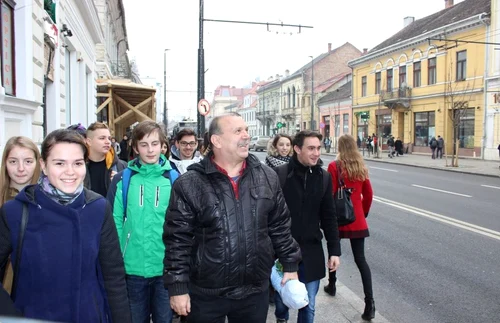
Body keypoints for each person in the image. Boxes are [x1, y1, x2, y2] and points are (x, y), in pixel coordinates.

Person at [163, 112, 301, 323]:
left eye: (246, 130)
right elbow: (177, 240)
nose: (246, 136)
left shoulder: (266, 177)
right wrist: (178, 287)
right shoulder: (189, 183)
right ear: (216, 140)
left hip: (254, 292)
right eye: (238, 131)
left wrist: (290, 265)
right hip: (205, 295)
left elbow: (279, 226)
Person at [0, 129, 131, 322]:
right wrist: (11, 315)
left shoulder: (97, 208)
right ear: (43, 165)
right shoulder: (16, 211)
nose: (70, 172)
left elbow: (113, 278)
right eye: (60, 163)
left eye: (77, 163)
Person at [108, 121, 177, 323]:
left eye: (155, 144)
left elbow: (181, 225)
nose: (150, 150)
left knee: (164, 320)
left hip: (165, 268)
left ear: (162, 146)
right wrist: (117, 259)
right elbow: (114, 223)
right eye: (144, 144)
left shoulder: (174, 179)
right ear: (136, 147)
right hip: (132, 268)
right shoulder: (123, 180)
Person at [274, 130, 340, 323]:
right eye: (311, 148)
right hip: (283, 250)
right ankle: (281, 318)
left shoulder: (324, 178)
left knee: (308, 303)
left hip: (311, 251)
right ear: (297, 149)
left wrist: (334, 251)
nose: (316, 153)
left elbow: (329, 216)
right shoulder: (281, 175)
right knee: (281, 299)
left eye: (318, 148)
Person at [325, 134, 374, 321]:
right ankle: (370, 303)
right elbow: (369, 194)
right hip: (357, 220)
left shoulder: (334, 166)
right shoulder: (361, 167)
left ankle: (332, 284)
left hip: (338, 218)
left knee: (333, 252)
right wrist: (363, 213)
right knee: (361, 260)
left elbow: (329, 194)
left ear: (339, 147)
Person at [0, 136, 41, 296]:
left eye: (28, 161)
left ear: (39, 163)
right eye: (13, 162)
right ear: (5, 164)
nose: (21, 168)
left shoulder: (49, 199)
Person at [84, 122, 127, 197]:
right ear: (89, 142)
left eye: (109, 138)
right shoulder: (78, 167)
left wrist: (121, 185)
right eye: (102, 138)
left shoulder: (122, 167)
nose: (108, 142)